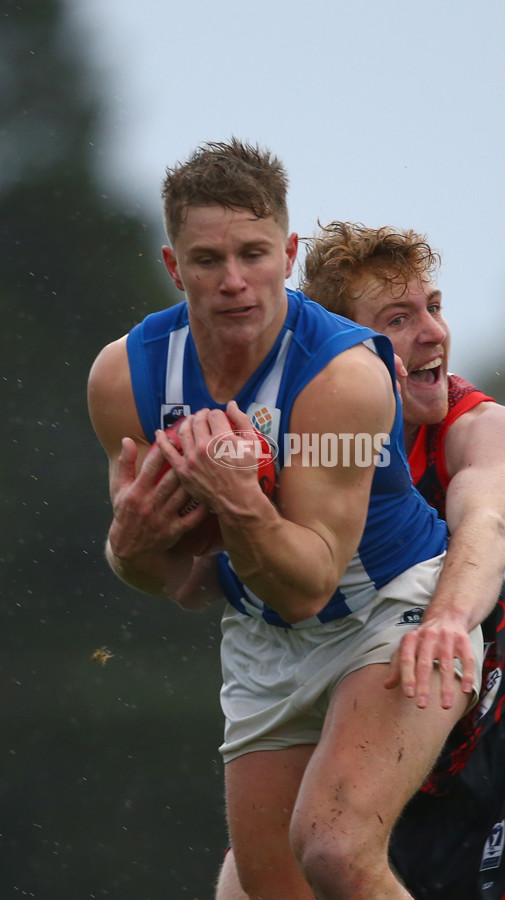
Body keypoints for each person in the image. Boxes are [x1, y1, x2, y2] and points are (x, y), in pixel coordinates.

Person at [87, 140, 484, 900]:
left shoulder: (343, 377)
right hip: (264, 631)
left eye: (254, 254)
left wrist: (235, 500)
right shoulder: (125, 377)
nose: (234, 282)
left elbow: (310, 582)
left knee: (333, 851)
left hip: (389, 607)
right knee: (271, 891)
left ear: (288, 251)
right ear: (174, 267)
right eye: (207, 260)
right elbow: (175, 579)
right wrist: (127, 549)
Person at [216, 222, 505, 900]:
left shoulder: (477, 425)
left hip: (453, 742)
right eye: (398, 319)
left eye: (434, 308)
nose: (434, 333)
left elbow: (491, 516)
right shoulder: (290, 435)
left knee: (333, 849)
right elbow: (193, 583)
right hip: (333, 713)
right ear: (345, 347)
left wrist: (445, 620)